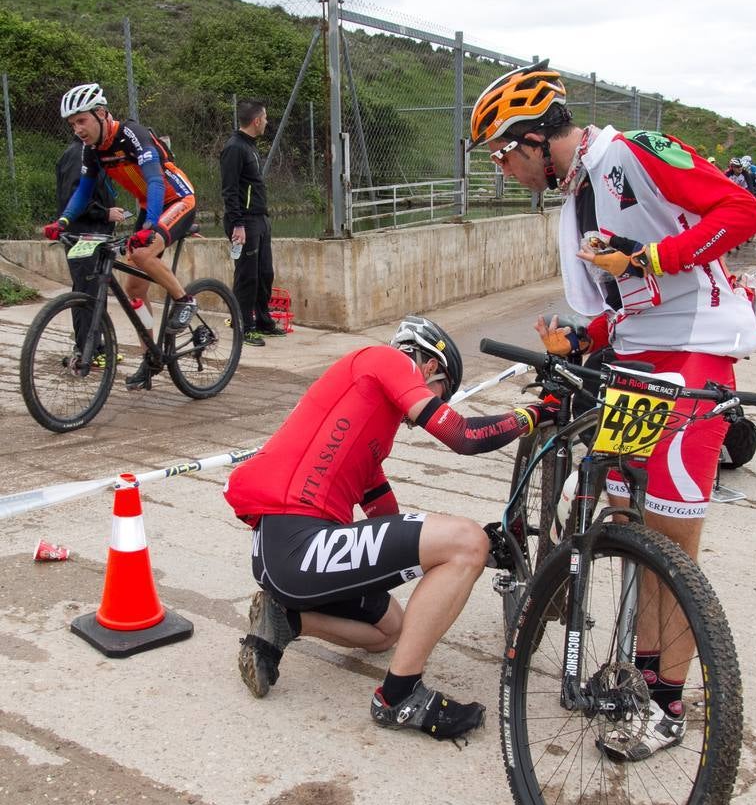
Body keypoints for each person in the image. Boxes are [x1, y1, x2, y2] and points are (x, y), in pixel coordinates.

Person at [468, 60, 756, 761]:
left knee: (672, 544)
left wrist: (652, 257)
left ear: (537, 138)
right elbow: (624, 297)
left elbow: (742, 213)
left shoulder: (629, 153)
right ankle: (639, 673)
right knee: (629, 522)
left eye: (504, 155)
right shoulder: (575, 198)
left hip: (692, 353)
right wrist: (586, 335)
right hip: (635, 358)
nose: (504, 170)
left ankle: (667, 702)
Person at [223, 316, 558, 742]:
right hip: (297, 544)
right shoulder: (388, 360)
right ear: (429, 365)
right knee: (465, 541)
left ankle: (286, 619)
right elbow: (463, 436)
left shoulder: (367, 428)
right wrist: (535, 413)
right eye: (441, 391)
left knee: (389, 631)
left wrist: (484, 554)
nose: (425, 409)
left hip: (285, 554)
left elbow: (389, 527)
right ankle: (399, 697)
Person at [43, 84, 199, 390]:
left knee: (141, 254)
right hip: (148, 207)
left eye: (82, 120)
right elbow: (83, 191)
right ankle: (151, 357)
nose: (78, 129)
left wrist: (149, 226)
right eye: (72, 124)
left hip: (177, 199)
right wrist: (63, 221)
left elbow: (155, 181)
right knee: (135, 290)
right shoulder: (92, 150)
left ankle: (185, 300)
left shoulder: (132, 135)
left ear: (101, 114)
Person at [55, 138, 127, 365]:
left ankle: (96, 346)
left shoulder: (92, 154)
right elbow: (72, 199)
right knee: (86, 294)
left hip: (97, 235)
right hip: (83, 236)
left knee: (95, 293)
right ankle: (87, 351)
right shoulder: (77, 155)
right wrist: (105, 213)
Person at [220, 99, 284, 348]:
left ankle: (263, 321)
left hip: (260, 218)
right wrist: (237, 224)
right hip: (244, 222)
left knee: (264, 273)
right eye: (265, 118)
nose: (267, 122)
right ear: (256, 120)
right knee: (247, 276)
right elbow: (230, 190)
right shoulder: (234, 148)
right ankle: (243, 326)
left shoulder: (250, 146)